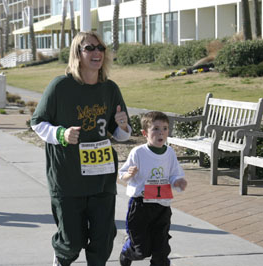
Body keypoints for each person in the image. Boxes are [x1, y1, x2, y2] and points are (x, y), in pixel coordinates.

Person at [31, 31, 131, 266]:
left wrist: (124, 126)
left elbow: (120, 134)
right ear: (77, 53)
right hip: (68, 178)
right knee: (71, 241)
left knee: (103, 240)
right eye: (89, 48)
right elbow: (38, 122)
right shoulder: (60, 86)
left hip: (102, 178)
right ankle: (61, 258)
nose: (97, 53)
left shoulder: (110, 88)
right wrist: (61, 134)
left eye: (100, 48)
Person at [118, 111, 187, 266]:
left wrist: (178, 182)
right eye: (155, 128)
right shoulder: (138, 152)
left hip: (162, 207)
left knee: (161, 251)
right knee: (141, 251)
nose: (161, 132)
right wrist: (130, 174)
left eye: (164, 128)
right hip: (141, 206)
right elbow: (122, 174)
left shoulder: (169, 153)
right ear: (145, 133)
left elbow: (174, 174)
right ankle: (127, 249)